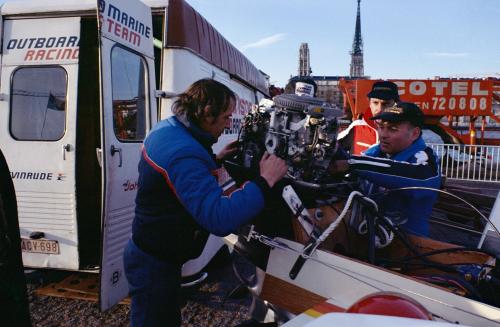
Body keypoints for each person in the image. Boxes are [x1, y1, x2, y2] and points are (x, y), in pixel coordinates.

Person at [123, 79, 287, 327]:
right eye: (225, 117)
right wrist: (266, 180)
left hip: (152, 254)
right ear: (207, 115)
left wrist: (214, 161)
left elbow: (177, 176)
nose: (228, 124)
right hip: (154, 264)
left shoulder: (169, 129)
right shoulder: (184, 153)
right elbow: (219, 218)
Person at [331, 102, 441, 236]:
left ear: (414, 134)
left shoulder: (425, 157)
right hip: (367, 235)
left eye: (392, 129)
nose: (383, 134)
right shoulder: (374, 152)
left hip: (409, 243)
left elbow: (418, 178)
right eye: (381, 127)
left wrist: (354, 163)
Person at [338, 80, 400, 155]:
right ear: (370, 103)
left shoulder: (405, 131)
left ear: (396, 105)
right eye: (375, 103)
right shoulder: (356, 127)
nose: (379, 109)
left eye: (385, 104)